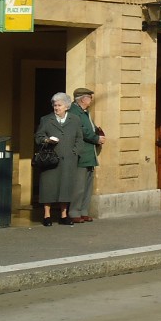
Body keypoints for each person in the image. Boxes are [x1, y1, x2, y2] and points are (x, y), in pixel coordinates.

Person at [35, 92, 84, 227]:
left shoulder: (75, 119)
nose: (56, 108)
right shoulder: (46, 119)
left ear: (67, 106)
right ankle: (47, 215)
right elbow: (38, 137)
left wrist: (75, 152)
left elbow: (80, 138)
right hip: (50, 159)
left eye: (59, 105)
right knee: (48, 187)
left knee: (66, 187)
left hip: (69, 159)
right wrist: (46, 140)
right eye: (55, 105)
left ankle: (63, 215)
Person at [68, 87, 104, 223]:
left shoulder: (85, 112)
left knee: (88, 185)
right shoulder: (73, 112)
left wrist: (99, 134)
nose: (91, 101)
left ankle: (83, 211)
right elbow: (81, 130)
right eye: (90, 98)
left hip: (90, 154)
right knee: (78, 185)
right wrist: (96, 139)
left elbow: (91, 128)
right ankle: (74, 211)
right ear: (83, 98)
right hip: (81, 154)